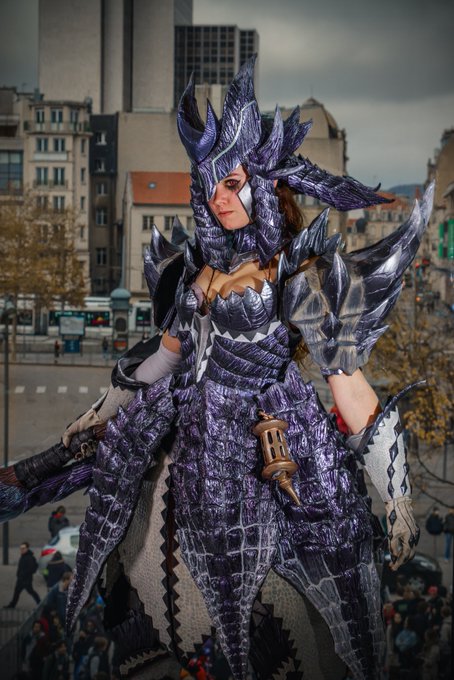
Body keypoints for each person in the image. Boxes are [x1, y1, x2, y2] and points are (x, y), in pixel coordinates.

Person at [0, 57, 430, 680]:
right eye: (210, 187)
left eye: (231, 183)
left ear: (266, 184)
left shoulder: (297, 275)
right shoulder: (196, 272)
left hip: (269, 433)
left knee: (317, 551)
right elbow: (164, 357)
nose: (218, 198)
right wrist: (101, 414)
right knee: (111, 490)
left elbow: (348, 384)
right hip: (188, 418)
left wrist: (397, 493)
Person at [4, 542, 40, 609]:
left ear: (27, 548)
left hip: (26, 580)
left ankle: (40, 603)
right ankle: (12, 604)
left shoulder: (30, 558)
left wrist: (24, 574)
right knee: (17, 592)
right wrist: (18, 574)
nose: (22, 550)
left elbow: (32, 569)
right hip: (21, 578)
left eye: (23, 548)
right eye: (21, 548)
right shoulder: (23, 556)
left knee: (31, 591)